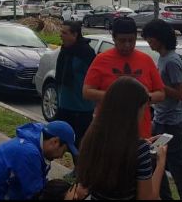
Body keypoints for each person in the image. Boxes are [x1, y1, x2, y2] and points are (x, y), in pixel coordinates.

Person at [78, 76, 168, 200]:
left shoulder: (94, 137)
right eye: (143, 109)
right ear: (133, 112)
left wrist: (137, 145)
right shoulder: (140, 150)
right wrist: (160, 163)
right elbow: (147, 198)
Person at [83, 17, 165, 139]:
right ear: (114, 38)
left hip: (140, 132)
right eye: (122, 41)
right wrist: (117, 97)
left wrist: (142, 98)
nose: (127, 45)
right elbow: (87, 92)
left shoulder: (146, 60)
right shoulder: (101, 60)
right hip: (109, 132)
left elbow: (161, 94)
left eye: (131, 40)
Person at [142, 19, 182, 200]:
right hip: (161, 118)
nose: (149, 42)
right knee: (156, 161)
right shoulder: (163, 58)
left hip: (172, 123)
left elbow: (181, 94)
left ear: (160, 38)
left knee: (177, 165)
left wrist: (159, 85)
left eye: (151, 39)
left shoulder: (171, 60)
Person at [0, 120, 78, 200]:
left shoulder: (35, 142)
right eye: (64, 151)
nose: (61, 156)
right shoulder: (28, 153)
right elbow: (36, 194)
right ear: (55, 142)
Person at [54, 21, 96, 160]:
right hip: (64, 106)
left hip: (81, 108)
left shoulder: (86, 53)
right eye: (61, 32)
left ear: (75, 34)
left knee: (80, 144)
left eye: (64, 33)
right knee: (60, 141)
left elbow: (94, 78)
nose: (61, 35)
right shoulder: (65, 50)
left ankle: (81, 169)